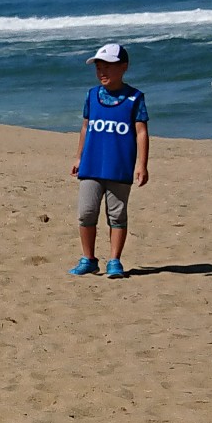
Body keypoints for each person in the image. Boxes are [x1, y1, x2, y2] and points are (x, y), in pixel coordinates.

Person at [71, 41, 149, 277]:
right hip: (91, 165)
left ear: (123, 67)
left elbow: (141, 132)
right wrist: (78, 156)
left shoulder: (134, 98)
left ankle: (114, 260)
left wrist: (142, 164)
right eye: (99, 67)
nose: (102, 72)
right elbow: (86, 126)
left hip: (119, 166)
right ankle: (89, 258)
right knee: (86, 213)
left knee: (116, 215)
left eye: (108, 67)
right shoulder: (92, 95)